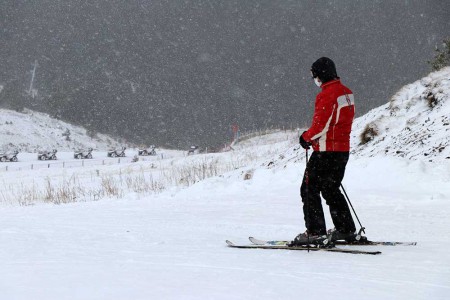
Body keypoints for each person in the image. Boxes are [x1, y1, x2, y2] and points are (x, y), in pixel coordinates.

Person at [290, 57, 358, 246]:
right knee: (330, 188)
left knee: (309, 188)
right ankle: (346, 229)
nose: (315, 80)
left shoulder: (327, 95)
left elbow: (321, 125)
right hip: (342, 150)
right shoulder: (347, 93)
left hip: (326, 151)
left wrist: (306, 137)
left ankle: (316, 232)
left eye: (315, 76)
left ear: (321, 75)